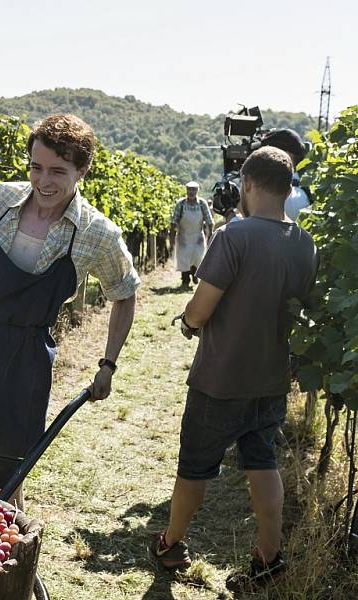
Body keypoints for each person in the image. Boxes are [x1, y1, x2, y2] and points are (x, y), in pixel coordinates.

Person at [0, 113, 139, 509]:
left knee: (10, 471)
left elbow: (125, 293)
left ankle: (14, 554)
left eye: (58, 171)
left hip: (22, 360)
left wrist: (108, 364)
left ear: (82, 170)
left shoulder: (96, 233)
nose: (43, 181)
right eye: (36, 168)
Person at [151, 147, 318, 592]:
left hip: (219, 380)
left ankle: (171, 545)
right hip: (271, 380)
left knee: (194, 467)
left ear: (246, 184)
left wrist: (187, 321)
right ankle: (269, 557)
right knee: (262, 462)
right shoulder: (304, 243)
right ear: (288, 189)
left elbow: (203, 307)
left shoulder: (234, 236)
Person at [170, 182, 214, 286]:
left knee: (197, 257)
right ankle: (185, 280)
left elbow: (209, 221)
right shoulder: (180, 204)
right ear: (186, 190)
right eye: (189, 189)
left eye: (194, 190)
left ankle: (195, 276)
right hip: (183, 237)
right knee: (184, 259)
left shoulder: (202, 203)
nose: (191, 192)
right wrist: (171, 237)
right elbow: (174, 221)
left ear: (197, 191)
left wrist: (210, 234)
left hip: (197, 236)